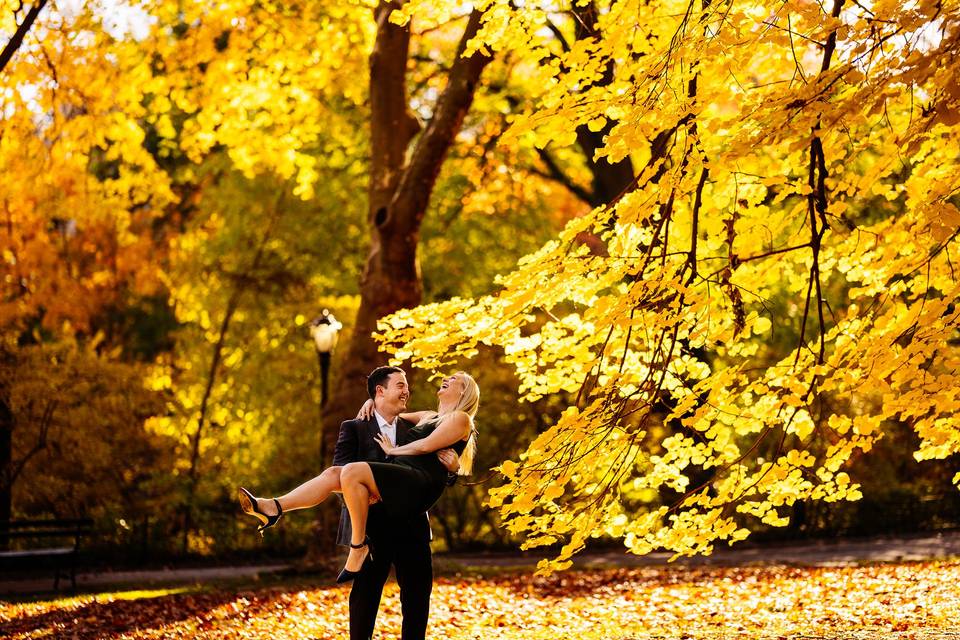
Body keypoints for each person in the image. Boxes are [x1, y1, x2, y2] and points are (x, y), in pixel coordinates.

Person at [239, 366, 479, 640]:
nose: (406, 391)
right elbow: (342, 475)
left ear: (464, 392)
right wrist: (370, 404)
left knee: (416, 600)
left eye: (455, 380)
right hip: (373, 523)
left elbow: (430, 458)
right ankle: (274, 507)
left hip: (410, 521)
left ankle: (356, 546)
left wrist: (453, 467)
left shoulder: (431, 424)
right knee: (335, 475)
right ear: (380, 391)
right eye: (400, 385)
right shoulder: (369, 424)